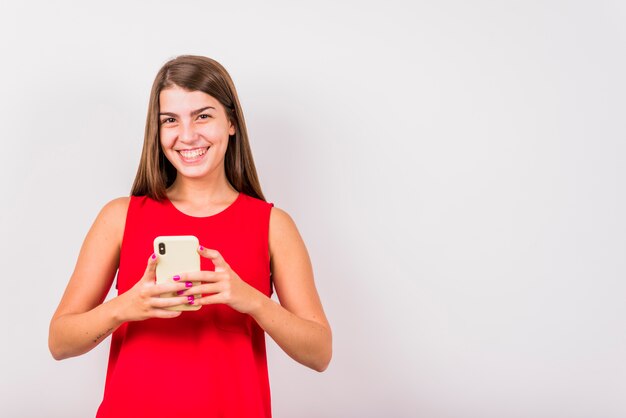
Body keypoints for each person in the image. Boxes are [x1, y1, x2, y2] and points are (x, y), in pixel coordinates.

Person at [48, 55, 332, 418]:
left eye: (203, 115)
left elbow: (320, 352)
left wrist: (251, 300)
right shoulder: (120, 217)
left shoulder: (273, 225)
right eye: (170, 120)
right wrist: (127, 306)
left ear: (230, 122)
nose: (187, 135)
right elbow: (60, 341)